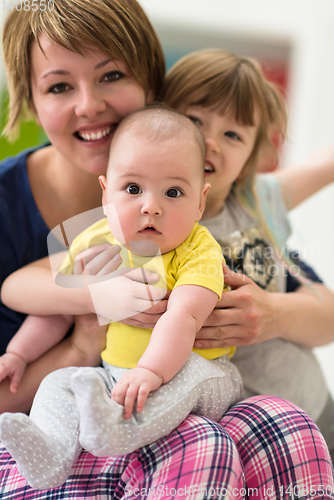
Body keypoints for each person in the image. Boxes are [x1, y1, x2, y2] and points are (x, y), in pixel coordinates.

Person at [0, 2, 333, 498]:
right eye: (58, 85)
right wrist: (83, 333)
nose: (89, 105)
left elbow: (318, 304)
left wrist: (272, 313)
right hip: (83, 440)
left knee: (265, 434)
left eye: (111, 75)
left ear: (154, 90)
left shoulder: (214, 215)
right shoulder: (92, 226)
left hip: (233, 414)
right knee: (203, 443)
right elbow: (28, 284)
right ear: (27, 96)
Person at [0, 106, 244, 489]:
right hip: (117, 378)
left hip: (197, 374)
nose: (151, 206)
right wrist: (19, 353)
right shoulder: (96, 240)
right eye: (133, 189)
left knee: (193, 376)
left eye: (174, 192)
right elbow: (58, 309)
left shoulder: (198, 250)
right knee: (59, 382)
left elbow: (184, 317)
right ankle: (51, 452)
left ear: (200, 202)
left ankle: (118, 432)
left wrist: (150, 372)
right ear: (105, 193)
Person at [161, 48, 334, 460]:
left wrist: (278, 309)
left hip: (316, 408)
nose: (209, 142)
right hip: (243, 441)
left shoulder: (257, 199)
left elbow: (324, 164)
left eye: (233, 134)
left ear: (250, 159)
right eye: (194, 120)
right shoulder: (151, 218)